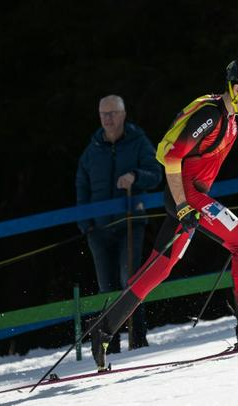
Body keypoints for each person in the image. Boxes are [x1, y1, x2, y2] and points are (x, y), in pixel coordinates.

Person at [87, 58, 238, 371]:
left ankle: (103, 329)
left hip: (191, 197)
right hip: (188, 196)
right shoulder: (211, 116)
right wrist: (183, 205)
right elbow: (171, 158)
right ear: (237, 90)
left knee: (159, 268)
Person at [76, 95, 162, 352]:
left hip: (130, 224)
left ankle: (138, 338)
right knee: (106, 287)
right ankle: (109, 344)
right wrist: (86, 225)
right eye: (103, 114)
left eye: (112, 113)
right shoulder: (92, 149)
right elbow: (81, 187)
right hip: (98, 229)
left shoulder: (138, 142)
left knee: (130, 280)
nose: (108, 119)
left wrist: (135, 176)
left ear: (123, 114)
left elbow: (156, 173)